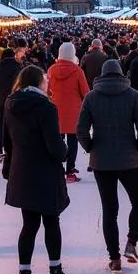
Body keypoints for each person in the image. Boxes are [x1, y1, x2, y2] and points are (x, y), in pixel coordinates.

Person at [3, 66, 72, 274]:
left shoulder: (10, 105)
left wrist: (9, 167)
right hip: (45, 171)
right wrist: (64, 152)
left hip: (22, 169)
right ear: (39, 82)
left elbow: (7, 141)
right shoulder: (46, 107)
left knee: (29, 225)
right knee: (52, 222)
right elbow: (54, 146)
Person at [76, 58, 138, 274]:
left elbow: (81, 130)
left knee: (110, 210)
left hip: (102, 161)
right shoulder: (132, 95)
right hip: (129, 159)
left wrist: (91, 148)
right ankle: (132, 241)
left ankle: (115, 259)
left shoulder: (91, 97)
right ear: (120, 74)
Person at [46, 41, 90, 182]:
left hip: (55, 110)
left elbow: (47, 91)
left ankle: (57, 167)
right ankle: (70, 170)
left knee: (57, 141)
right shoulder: (77, 71)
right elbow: (85, 92)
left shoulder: (51, 70)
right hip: (73, 111)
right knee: (72, 142)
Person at [0, 47, 22, 160]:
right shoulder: (18, 68)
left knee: (0, 126)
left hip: (1, 101)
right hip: (16, 101)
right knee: (15, 125)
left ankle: (0, 150)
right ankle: (14, 149)